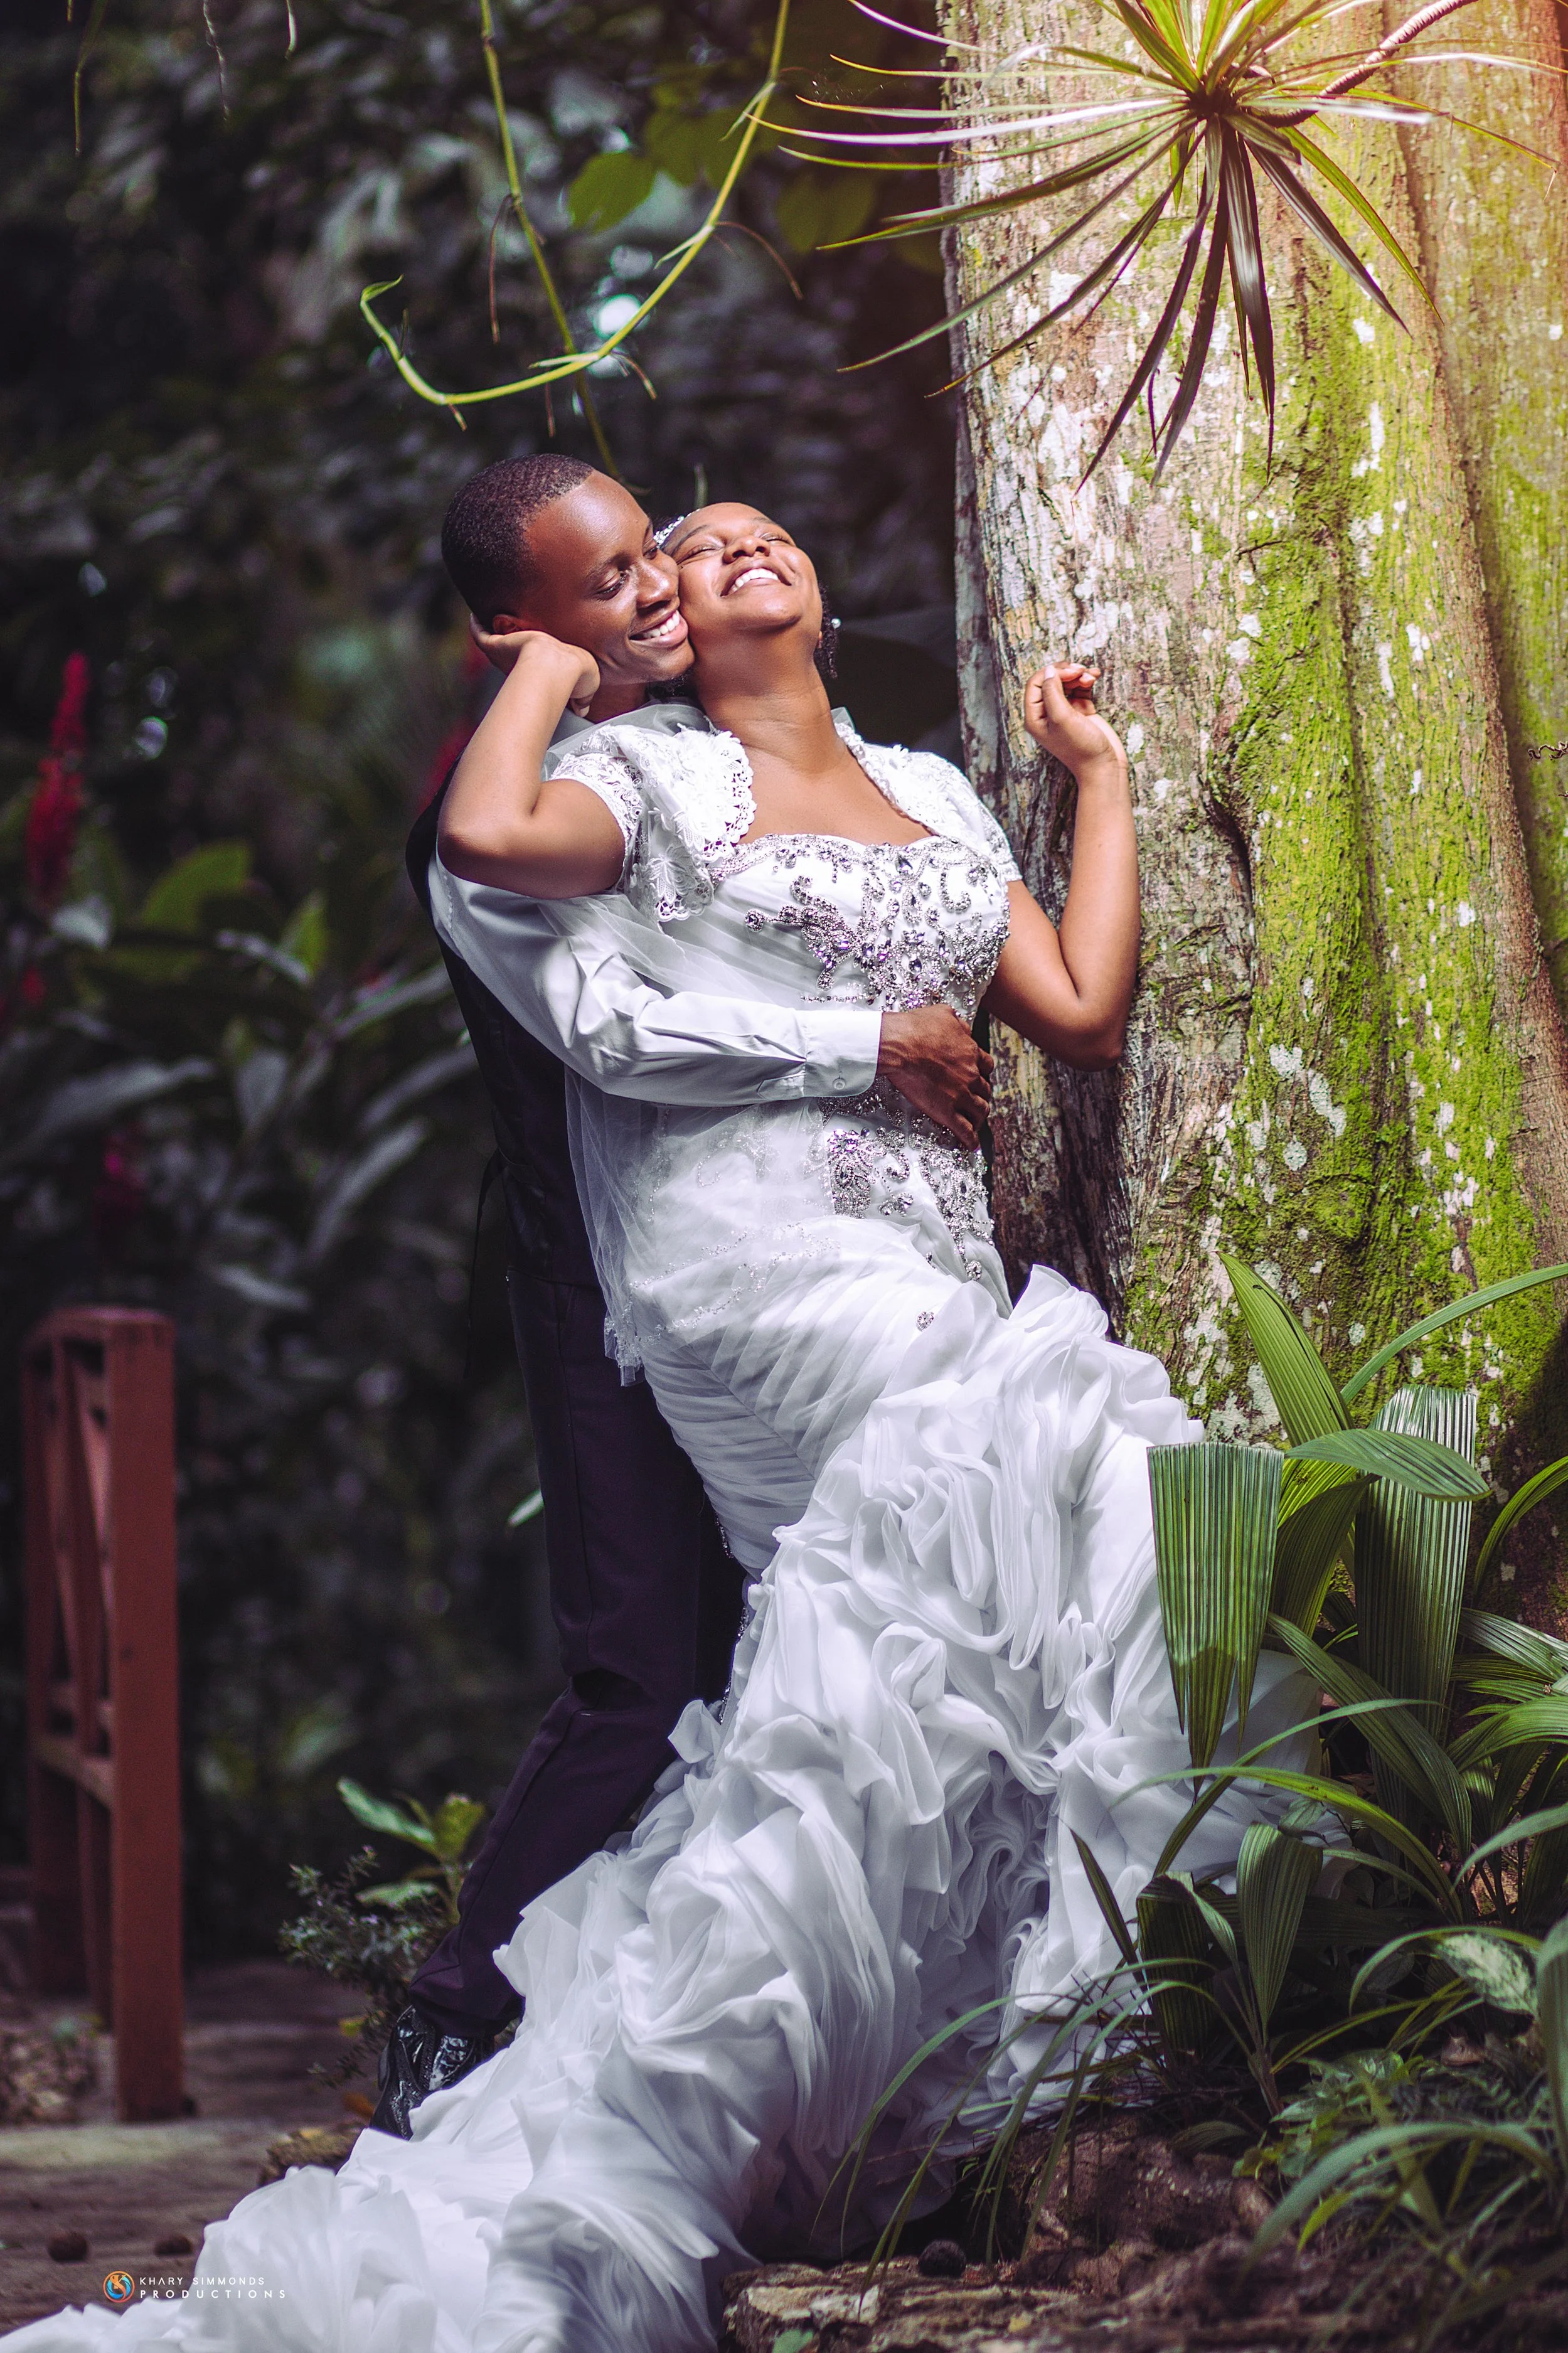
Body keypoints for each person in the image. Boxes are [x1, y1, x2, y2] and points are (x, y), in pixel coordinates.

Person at [17, 504, 1312, 2353]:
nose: (718, 555)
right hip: (751, 1258)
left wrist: (1090, 773)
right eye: (673, 559)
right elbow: (497, 863)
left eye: (742, 533)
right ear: (654, 633)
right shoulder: (637, 776)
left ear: (815, 586)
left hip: (928, 1250)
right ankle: (1046, 2019)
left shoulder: (938, 788)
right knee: (1071, 1462)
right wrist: (541, 653)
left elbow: (1083, 1011)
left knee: (912, 1651)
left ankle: (910, 2053)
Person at [378, 456, 996, 2133]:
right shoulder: (501, 818)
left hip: (775, 1237)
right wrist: (863, 1042)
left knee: (774, 1638)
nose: (656, 589)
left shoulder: (667, 766)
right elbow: (615, 1039)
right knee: (641, 1659)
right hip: (607, 1273)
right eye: (605, 590)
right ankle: (458, 2008)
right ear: (519, 635)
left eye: (652, 552)